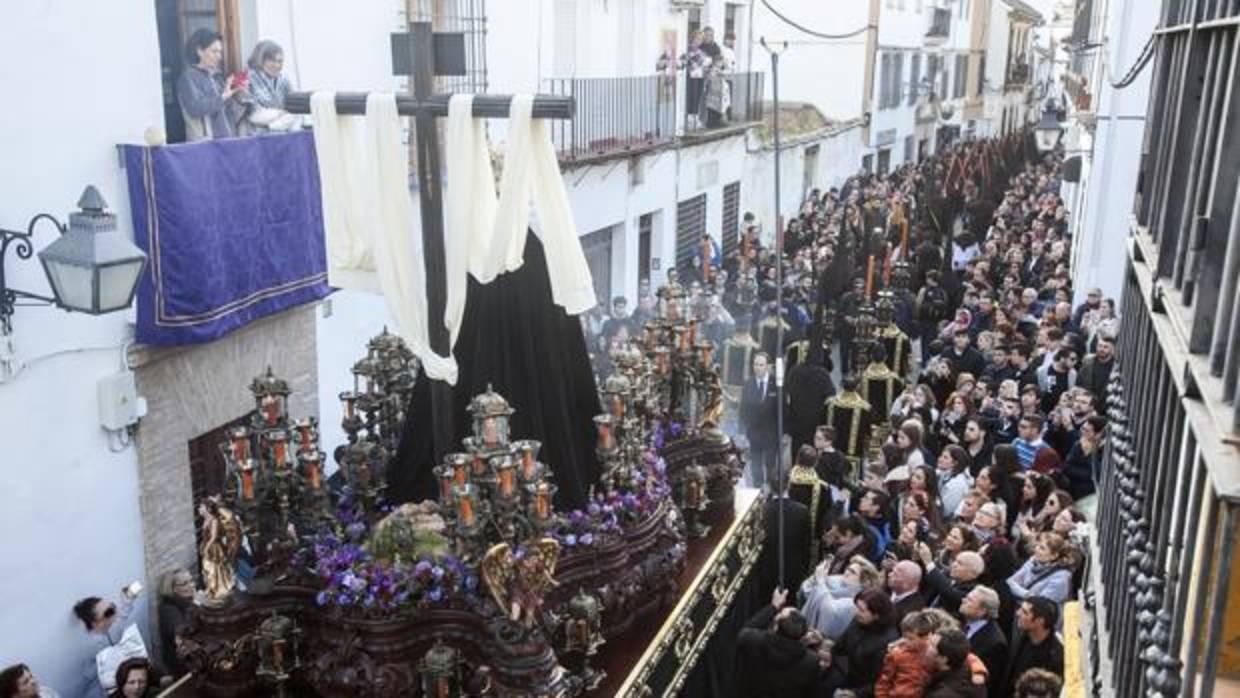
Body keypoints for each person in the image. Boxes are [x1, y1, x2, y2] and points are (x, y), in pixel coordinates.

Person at [736, 588, 820, 698]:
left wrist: (773, 607)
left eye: (780, 613)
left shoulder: (755, 641)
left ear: (775, 627)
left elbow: (745, 630)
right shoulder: (811, 661)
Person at [826, 589, 901, 693]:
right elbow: (839, 646)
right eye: (857, 607)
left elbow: (879, 681)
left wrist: (854, 693)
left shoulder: (887, 643)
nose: (856, 612)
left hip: (857, 689)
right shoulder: (859, 621)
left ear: (876, 615)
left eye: (861, 610)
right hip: (840, 674)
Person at [73, 585, 142, 698]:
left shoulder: (111, 630)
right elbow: (91, 676)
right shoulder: (90, 647)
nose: (114, 612)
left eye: (112, 607)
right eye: (108, 612)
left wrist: (129, 598)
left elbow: (123, 615)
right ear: (96, 623)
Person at [177, 29, 241, 141]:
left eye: (220, 52)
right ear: (200, 51)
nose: (219, 57)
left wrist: (237, 91)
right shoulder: (188, 77)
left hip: (227, 140)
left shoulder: (218, 76)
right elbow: (195, 109)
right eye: (214, 51)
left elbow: (228, 110)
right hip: (205, 143)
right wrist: (223, 96)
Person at [799, 555, 881, 640]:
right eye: (848, 569)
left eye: (852, 572)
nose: (846, 572)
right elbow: (806, 590)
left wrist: (820, 582)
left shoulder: (857, 599)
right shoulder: (837, 581)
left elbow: (831, 612)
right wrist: (816, 577)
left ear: (864, 582)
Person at [1006, 597, 1064, 694]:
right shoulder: (1022, 636)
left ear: (1040, 621)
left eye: (1025, 612)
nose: (1018, 613)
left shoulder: (1055, 658)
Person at [959, 586, 1009, 698]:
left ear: (982, 611)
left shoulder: (995, 643)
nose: (963, 600)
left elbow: (984, 684)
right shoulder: (963, 622)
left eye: (969, 600)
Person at [873, 611, 936, 697]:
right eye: (904, 637)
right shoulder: (896, 655)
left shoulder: (933, 654)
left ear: (925, 637)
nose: (905, 641)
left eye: (911, 639)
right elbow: (883, 682)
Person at [740, 352, 779, 490]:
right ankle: (757, 490)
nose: (757, 368)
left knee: (770, 464)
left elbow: (782, 410)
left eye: (761, 365)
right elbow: (743, 409)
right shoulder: (748, 384)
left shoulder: (776, 384)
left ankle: (771, 488)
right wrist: (742, 432)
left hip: (771, 434)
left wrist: (783, 432)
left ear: (768, 366)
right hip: (754, 433)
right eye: (755, 364)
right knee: (755, 463)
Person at [244, 40, 300, 132]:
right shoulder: (248, 78)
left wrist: (276, 123)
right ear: (260, 59)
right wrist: (279, 114)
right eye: (271, 60)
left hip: (284, 135)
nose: (276, 65)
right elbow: (252, 114)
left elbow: (293, 109)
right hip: (258, 138)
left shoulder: (284, 80)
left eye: (280, 61)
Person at [1007, 532, 1075, 604]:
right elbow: (1010, 582)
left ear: (1054, 556)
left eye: (1042, 548)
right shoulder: (1034, 560)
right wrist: (1028, 595)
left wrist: (1018, 590)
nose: (1036, 549)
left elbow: (1040, 604)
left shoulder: (1061, 579)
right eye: (1037, 545)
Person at [919, 547, 985, 617]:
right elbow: (927, 579)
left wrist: (928, 562)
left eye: (960, 563)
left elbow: (949, 592)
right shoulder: (948, 575)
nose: (954, 565)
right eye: (955, 561)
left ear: (972, 573)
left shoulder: (973, 590)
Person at [158, 568, 196, 677]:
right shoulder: (168, 609)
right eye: (185, 583)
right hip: (183, 665)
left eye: (191, 580)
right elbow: (183, 633)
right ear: (173, 589)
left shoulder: (188, 601)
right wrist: (196, 605)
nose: (192, 585)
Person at [924, 628, 984, 697]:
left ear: (944, 659)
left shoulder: (941, 695)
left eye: (932, 645)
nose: (926, 644)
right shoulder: (969, 671)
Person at [887, 560, 926, 625]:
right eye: (892, 571)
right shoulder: (887, 589)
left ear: (907, 583)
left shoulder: (912, 610)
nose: (889, 575)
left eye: (895, 574)